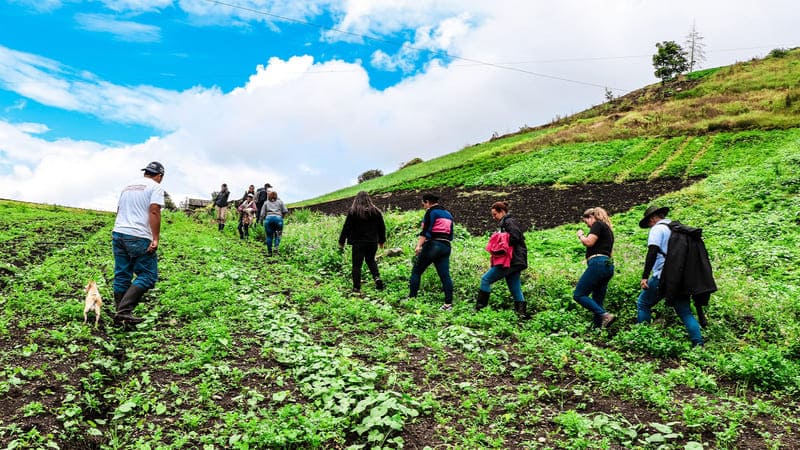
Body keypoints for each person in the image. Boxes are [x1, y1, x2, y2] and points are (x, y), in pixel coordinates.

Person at [636, 206, 704, 347]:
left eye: (649, 222)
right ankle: (698, 344)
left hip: (663, 275)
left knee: (643, 303)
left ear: (653, 218)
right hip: (681, 276)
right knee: (685, 312)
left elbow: (652, 252)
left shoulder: (657, 229)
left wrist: (645, 276)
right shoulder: (677, 229)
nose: (649, 226)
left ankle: (643, 338)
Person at [111, 161, 165, 328]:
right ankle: (124, 312)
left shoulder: (128, 186)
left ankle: (121, 317)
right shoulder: (155, 187)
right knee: (148, 275)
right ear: (160, 176)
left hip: (119, 232)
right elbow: (154, 210)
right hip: (138, 235)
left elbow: (119, 209)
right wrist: (155, 238)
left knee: (122, 274)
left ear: (145, 172)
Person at [476, 201, 529, 318]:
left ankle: (480, 311)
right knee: (514, 287)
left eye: (495, 214)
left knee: (485, 279)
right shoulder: (508, 222)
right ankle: (522, 315)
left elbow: (515, 236)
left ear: (502, 212)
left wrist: (499, 241)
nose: (493, 217)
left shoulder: (508, 221)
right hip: (518, 260)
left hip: (511, 260)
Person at [409, 193, 454, 310]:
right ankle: (448, 305)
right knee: (445, 276)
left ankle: (411, 299)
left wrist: (419, 246)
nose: (423, 205)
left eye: (423, 203)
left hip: (433, 245)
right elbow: (451, 234)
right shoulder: (448, 214)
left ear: (428, 202)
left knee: (416, 271)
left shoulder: (431, 212)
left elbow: (425, 231)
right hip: (446, 246)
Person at [573, 207, 616, 328]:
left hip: (598, 264)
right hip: (607, 265)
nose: (587, 226)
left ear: (591, 217)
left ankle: (605, 315)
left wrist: (581, 235)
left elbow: (589, 242)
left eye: (586, 222)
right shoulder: (608, 230)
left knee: (579, 295)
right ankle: (597, 330)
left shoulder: (597, 224)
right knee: (598, 301)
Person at [338, 191, 386, 292]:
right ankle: (377, 278)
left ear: (357, 199)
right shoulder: (376, 211)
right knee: (371, 260)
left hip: (358, 243)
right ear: (369, 199)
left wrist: (341, 242)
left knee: (357, 265)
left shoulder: (353, 212)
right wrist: (381, 241)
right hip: (372, 242)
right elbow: (382, 227)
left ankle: (356, 287)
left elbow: (346, 227)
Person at [260, 190, 288, 256]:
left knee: (269, 236)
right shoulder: (280, 202)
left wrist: (262, 220)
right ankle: (276, 248)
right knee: (278, 235)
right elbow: (285, 211)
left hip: (268, 219)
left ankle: (269, 252)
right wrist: (281, 217)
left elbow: (262, 214)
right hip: (278, 219)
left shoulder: (266, 203)